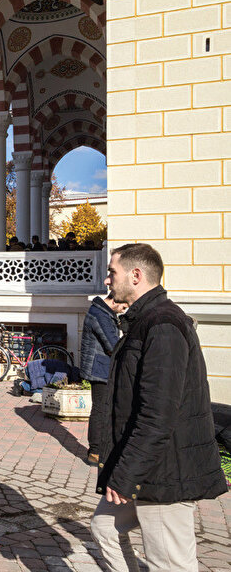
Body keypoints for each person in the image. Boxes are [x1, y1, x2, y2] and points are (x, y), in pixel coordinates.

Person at [90, 243, 227, 572]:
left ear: (135, 276)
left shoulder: (162, 325)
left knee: (170, 564)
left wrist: (125, 476)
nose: (107, 281)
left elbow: (157, 417)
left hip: (167, 471)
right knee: (104, 528)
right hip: (147, 468)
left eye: (112, 273)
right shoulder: (142, 321)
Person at [79, 292, 124, 465]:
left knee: (103, 408)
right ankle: (95, 452)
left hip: (102, 368)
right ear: (115, 300)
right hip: (99, 370)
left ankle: (100, 449)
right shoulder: (100, 315)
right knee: (100, 409)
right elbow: (113, 345)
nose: (122, 310)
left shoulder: (103, 313)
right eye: (122, 307)